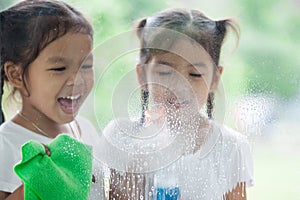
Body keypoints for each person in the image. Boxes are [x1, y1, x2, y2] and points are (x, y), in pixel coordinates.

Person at [102, 8, 254, 200]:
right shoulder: (124, 139)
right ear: (142, 75)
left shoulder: (230, 147)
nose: (180, 86)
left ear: (215, 79)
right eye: (165, 73)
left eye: (195, 74)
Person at [0, 0, 103, 199]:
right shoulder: (6, 145)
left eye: (86, 66)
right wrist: (38, 182)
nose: (77, 80)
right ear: (16, 75)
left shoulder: (85, 129)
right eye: (59, 69)